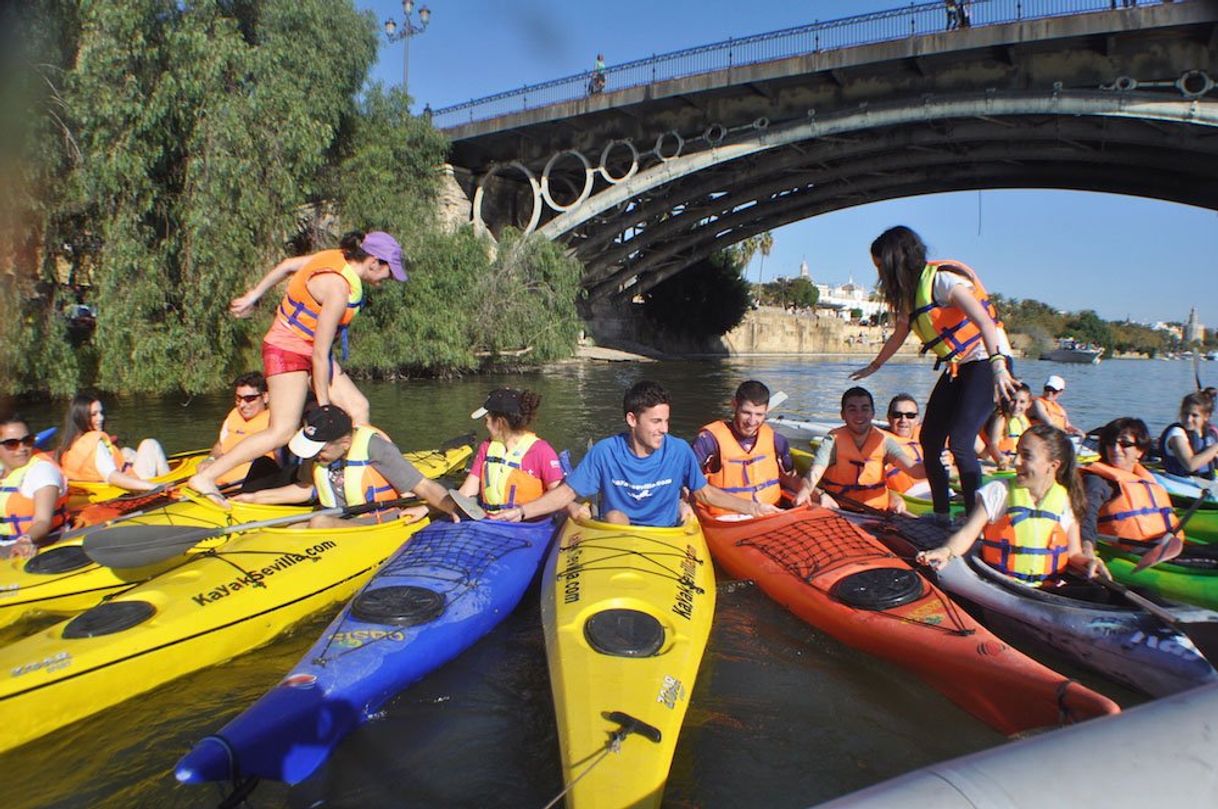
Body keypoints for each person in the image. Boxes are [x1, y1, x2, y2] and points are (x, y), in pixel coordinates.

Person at [187, 230, 408, 503]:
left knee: (358, 407)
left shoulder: (336, 258)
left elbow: (288, 265)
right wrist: (325, 411)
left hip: (308, 350)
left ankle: (349, 473)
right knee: (281, 431)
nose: (388, 280)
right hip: (287, 350)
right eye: (389, 272)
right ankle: (206, 477)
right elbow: (319, 353)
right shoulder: (338, 289)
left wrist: (253, 295)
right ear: (374, 262)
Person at [850, 226, 1016, 523]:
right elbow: (899, 335)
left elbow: (984, 322)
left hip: (987, 360)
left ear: (895, 261)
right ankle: (941, 514)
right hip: (959, 366)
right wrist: (874, 366)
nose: (879, 275)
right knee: (930, 437)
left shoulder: (941, 280)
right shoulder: (907, 297)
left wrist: (999, 366)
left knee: (962, 442)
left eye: (880, 266)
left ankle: (974, 518)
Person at [491, 380, 780, 527]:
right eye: (656, 422)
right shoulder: (605, 452)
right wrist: (522, 511)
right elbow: (565, 494)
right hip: (615, 537)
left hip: (664, 540)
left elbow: (706, 494)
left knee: (684, 510)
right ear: (632, 420)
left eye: (666, 421)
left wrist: (755, 509)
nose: (664, 429)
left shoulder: (679, 451)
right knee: (616, 515)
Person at [917, 424, 1108, 584]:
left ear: (1053, 465)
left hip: (1046, 591)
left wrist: (1089, 562)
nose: (1016, 461)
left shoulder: (1066, 500)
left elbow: (1074, 554)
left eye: (1026, 455)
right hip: (999, 584)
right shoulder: (998, 491)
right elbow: (967, 534)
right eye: (1017, 453)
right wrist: (946, 551)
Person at [232, 405, 457, 528]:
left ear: (346, 443)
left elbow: (424, 486)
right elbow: (306, 488)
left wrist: (450, 509)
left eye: (320, 450)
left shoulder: (376, 449)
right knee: (292, 528)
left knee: (317, 522)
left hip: (377, 522)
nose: (315, 456)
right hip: (336, 521)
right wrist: (254, 499)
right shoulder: (320, 455)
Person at [796, 387, 923, 514]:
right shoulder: (832, 441)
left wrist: (939, 467)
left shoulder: (884, 442)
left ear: (872, 413)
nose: (859, 415)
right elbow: (814, 472)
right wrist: (806, 490)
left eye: (865, 408)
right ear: (843, 415)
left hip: (878, 512)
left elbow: (914, 470)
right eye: (852, 409)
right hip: (841, 511)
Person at [691, 380, 810, 515]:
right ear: (734, 405)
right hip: (724, 519)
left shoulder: (777, 441)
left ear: (766, 411)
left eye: (759, 414)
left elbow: (791, 478)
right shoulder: (708, 442)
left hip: (771, 513)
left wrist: (812, 491)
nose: (752, 422)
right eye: (746, 413)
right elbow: (692, 487)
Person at [456, 388, 565, 516]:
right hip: (491, 522)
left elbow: (560, 497)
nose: (485, 425)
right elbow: (467, 490)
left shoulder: (541, 451)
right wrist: (434, 506)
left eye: (486, 420)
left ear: (500, 423)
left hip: (529, 526)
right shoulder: (487, 447)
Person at [1081, 417, 1176, 555]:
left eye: (1125, 444)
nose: (1115, 449)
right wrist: (1086, 548)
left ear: (1140, 450)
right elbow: (1086, 517)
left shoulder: (1145, 478)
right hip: (1133, 550)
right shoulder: (1097, 482)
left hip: (1165, 543)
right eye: (1110, 443)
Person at [57, 394, 169, 492]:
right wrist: (152, 486)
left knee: (126, 452)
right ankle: (170, 485)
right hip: (132, 489)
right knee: (150, 444)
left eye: (101, 412)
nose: (101, 418)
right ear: (80, 418)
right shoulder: (95, 442)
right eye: (93, 414)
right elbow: (111, 476)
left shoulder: (69, 445)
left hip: (93, 488)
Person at [0, 413, 69, 560]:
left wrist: (26, 540)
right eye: (12, 444)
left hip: (37, 545)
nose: (22, 448)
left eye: (27, 441)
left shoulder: (42, 470)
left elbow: (42, 521)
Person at [197, 371, 281, 488]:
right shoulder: (234, 414)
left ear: (265, 397)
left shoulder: (276, 421)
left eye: (249, 398)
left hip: (245, 486)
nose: (242, 404)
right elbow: (220, 445)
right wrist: (211, 458)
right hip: (215, 481)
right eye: (238, 398)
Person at [1159, 391, 1218, 481]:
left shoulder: (1210, 434)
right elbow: (1190, 465)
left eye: (1195, 415)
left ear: (1206, 416)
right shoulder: (1176, 433)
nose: (1189, 419)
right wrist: (1215, 448)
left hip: (1204, 483)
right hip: (1179, 482)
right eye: (1185, 414)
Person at [883, 393, 930, 499]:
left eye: (910, 416)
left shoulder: (927, 437)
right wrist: (892, 497)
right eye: (897, 415)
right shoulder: (880, 442)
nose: (903, 420)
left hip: (942, 489)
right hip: (911, 497)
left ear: (917, 419)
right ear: (889, 418)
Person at [981, 382, 1032, 470]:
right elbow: (993, 444)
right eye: (1013, 400)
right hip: (994, 461)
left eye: (1022, 402)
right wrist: (1001, 459)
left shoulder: (1023, 421)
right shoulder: (1001, 418)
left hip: (1013, 460)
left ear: (1029, 404)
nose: (1017, 406)